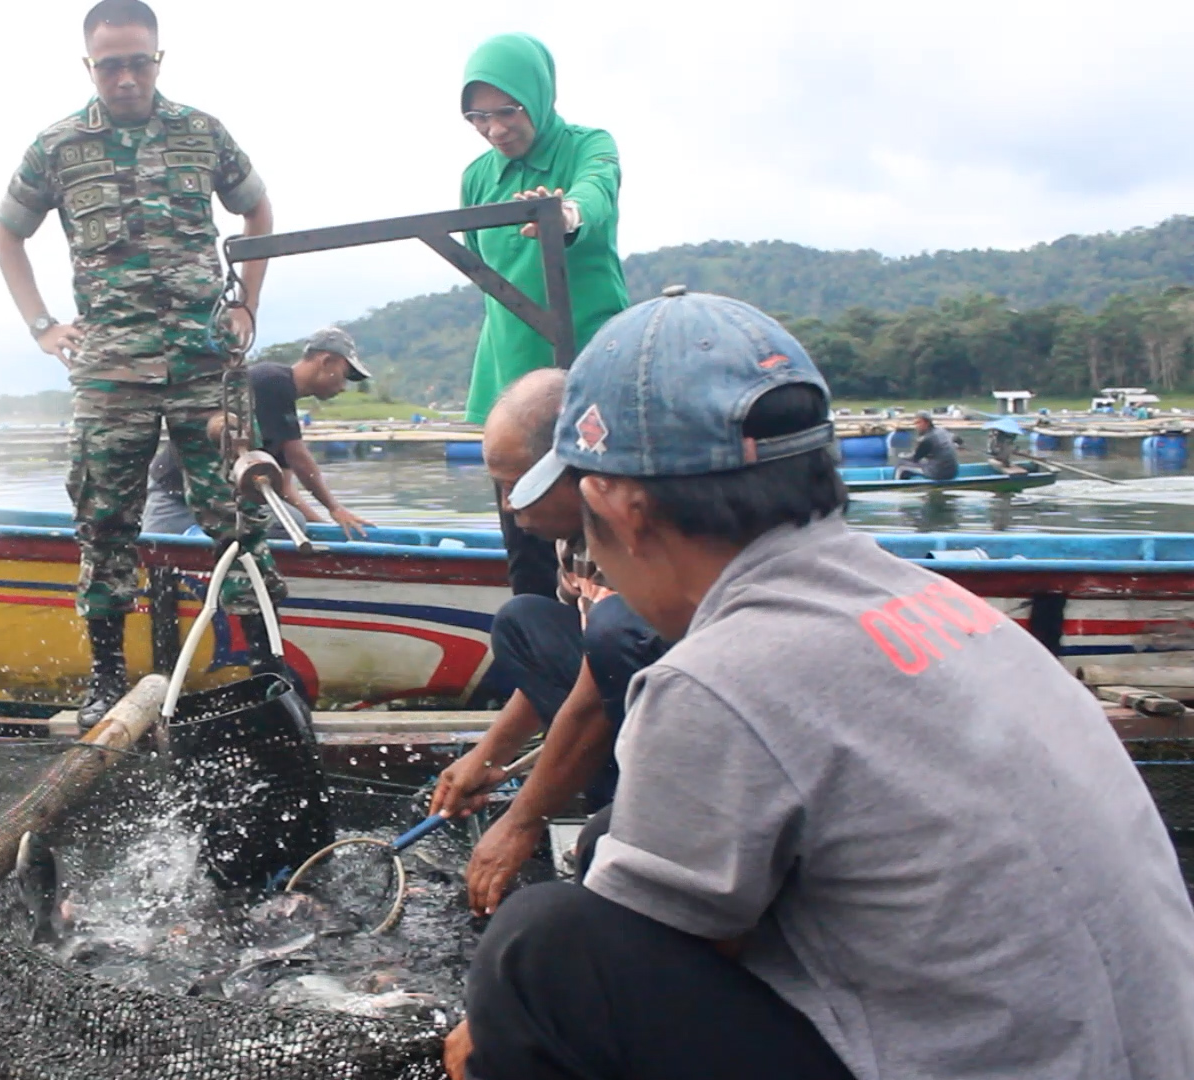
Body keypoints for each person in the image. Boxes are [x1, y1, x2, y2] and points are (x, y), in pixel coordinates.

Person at [445, 288, 1194, 1080]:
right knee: (613, 842)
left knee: (540, 956)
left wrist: (492, 1032)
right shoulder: (940, 602)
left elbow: (639, 968)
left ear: (618, 506)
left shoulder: (719, 678)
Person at [0, 0, 285, 728]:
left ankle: (266, 673)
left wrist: (247, 305)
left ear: (159, 59)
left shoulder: (201, 132)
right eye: (110, 65)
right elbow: (6, 234)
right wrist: (42, 326)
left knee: (240, 516)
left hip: (204, 363)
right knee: (103, 520)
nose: (125, 78)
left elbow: (258, 211)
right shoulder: (57, 146)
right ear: (88, 66)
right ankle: (106, 679)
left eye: (138, 63)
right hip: (110, 370)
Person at [429, 368, 668, 917]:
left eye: (517, 485)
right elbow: (577, 659)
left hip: (676, 714)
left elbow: (600, 677)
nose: (508, 506)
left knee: (612, 631)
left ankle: (621, 799)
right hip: (618, 685)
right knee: (522, 621)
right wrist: (488, 756)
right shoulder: (571, 539)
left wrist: (522, 820)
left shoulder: (632, 534)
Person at [457, 32, 629, 600]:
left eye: (507, 111)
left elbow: (597, 191)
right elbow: (478, 262)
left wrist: (566, 214)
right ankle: (534, 639)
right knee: (525, 541)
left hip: (587, 363)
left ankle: (612, 639)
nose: (495, 129)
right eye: (479, 118)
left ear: (537, 95)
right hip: (509, 371)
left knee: (604, 531)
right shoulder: (477, 177)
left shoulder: (587, 145)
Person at [143, 327, 375, 540]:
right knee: (155, 555)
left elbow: (284, 489)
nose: (343, 387)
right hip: (177, 492)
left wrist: (325, 530)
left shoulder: (283, 409)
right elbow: (300, 459)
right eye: (344, 375)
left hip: (220, 500)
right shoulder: (272, 380)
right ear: (326, 361)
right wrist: (335, 508)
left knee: (293, 522)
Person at [896, 410, 962, 481]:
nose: (916, 426)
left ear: (927, 422)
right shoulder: (942, 431)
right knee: (924, 461)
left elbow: (915, 458)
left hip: (938, 474)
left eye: (918, 423)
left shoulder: (926, 438)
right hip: (953, 472)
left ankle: (896, 486)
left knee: (901, 466)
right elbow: (959, 440)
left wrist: (903, 455)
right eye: (915, 423)